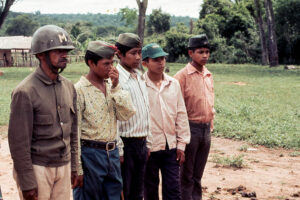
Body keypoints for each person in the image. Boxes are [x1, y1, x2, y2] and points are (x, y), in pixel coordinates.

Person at [8, 25, 78, 200]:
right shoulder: (25, 92)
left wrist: (75, 166)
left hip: (63, 166)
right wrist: (27, 182)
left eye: (66, 51)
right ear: (41, 55)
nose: (64, 55)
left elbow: (73, 132)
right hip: (38, 168)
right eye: (58, 51)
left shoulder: (69, 87)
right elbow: (19, 144)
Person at [72, 40, 136, 200]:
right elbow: (74, 131)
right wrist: (78, 168)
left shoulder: (111, 86)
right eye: (106, 63)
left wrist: (116, 87)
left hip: (112, 154)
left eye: (112, 63)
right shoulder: (79, 90)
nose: (111, 67)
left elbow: (126, 114)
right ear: (91, 63)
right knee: (89, 196)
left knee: (114, 196)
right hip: (90, 154)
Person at [142, 43, 190, 200]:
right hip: (150, 147)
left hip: (171, 146)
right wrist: (144, 145)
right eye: (155, 59)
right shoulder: (140, 85)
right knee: (150, 189)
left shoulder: (173, 83)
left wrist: (182, 144)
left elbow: (181, 114)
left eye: (162, 58)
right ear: (145, 63)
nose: (161, 62)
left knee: (173, 190)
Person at [174, 34, 215, 200]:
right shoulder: (181, 77)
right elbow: (176, 108)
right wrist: (180, 138)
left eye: (207, 51)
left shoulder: (208, 75)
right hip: (190, 129)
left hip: (206, 130)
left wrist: (210, 125)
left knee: (198, 174)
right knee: (186, 175)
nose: (205, 55)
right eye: (200, 52)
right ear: (191, 53)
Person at [115, 33, 152, 200]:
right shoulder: (116, 79)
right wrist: (120, 149)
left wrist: (147, 142)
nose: (138, 57)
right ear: (120, 54)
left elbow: (145, 111)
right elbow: (113, 117)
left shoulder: (138, 76)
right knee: (125, 192)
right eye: (133, 53)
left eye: (140, 52)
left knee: (138, 192)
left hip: (141, 143)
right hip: (126, 143)